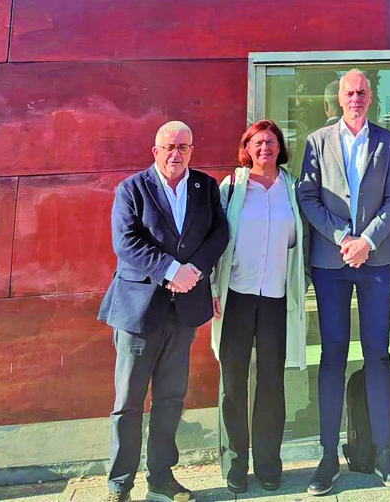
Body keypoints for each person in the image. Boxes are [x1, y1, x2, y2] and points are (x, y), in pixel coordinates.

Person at [98, 121, 229, 502]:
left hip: (183, 310)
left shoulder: (206, 188)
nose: (176, 154)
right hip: (139, 311)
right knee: (128, 402)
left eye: (184, 147)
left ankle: (160, 478)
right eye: (169, 146)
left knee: (171, 398)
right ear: (155, 151)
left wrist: (194, 272)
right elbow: (126, 242)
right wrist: (171, 270)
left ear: (192, 150)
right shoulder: (132, 189)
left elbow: (219, 234)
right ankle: (119, 484)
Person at [296, 69, 390, 495]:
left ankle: (383, 452)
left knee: (378, 354)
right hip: (331, 260)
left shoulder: (387, 140)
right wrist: (344, 236)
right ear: (339, 98)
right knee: (332, 355)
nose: (356, 98)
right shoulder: (317, 141)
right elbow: (307, 196)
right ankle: (327, 457)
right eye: (349, 92)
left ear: (371, 98)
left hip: (376, 261)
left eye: (362, 92)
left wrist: (368, 240)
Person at [209, 120, 309, 494]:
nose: (265, 147)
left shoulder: (294, 188)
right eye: (257, 142)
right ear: (247, 148)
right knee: (232, 382)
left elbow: (302, 242)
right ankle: (234, 464)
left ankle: (268, 463)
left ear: (280, 148)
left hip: (276, 300)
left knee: (271, 383)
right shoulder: (231, 188)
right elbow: (214, 238)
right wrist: (210, 288)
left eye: (271, 141)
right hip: (236, 295)